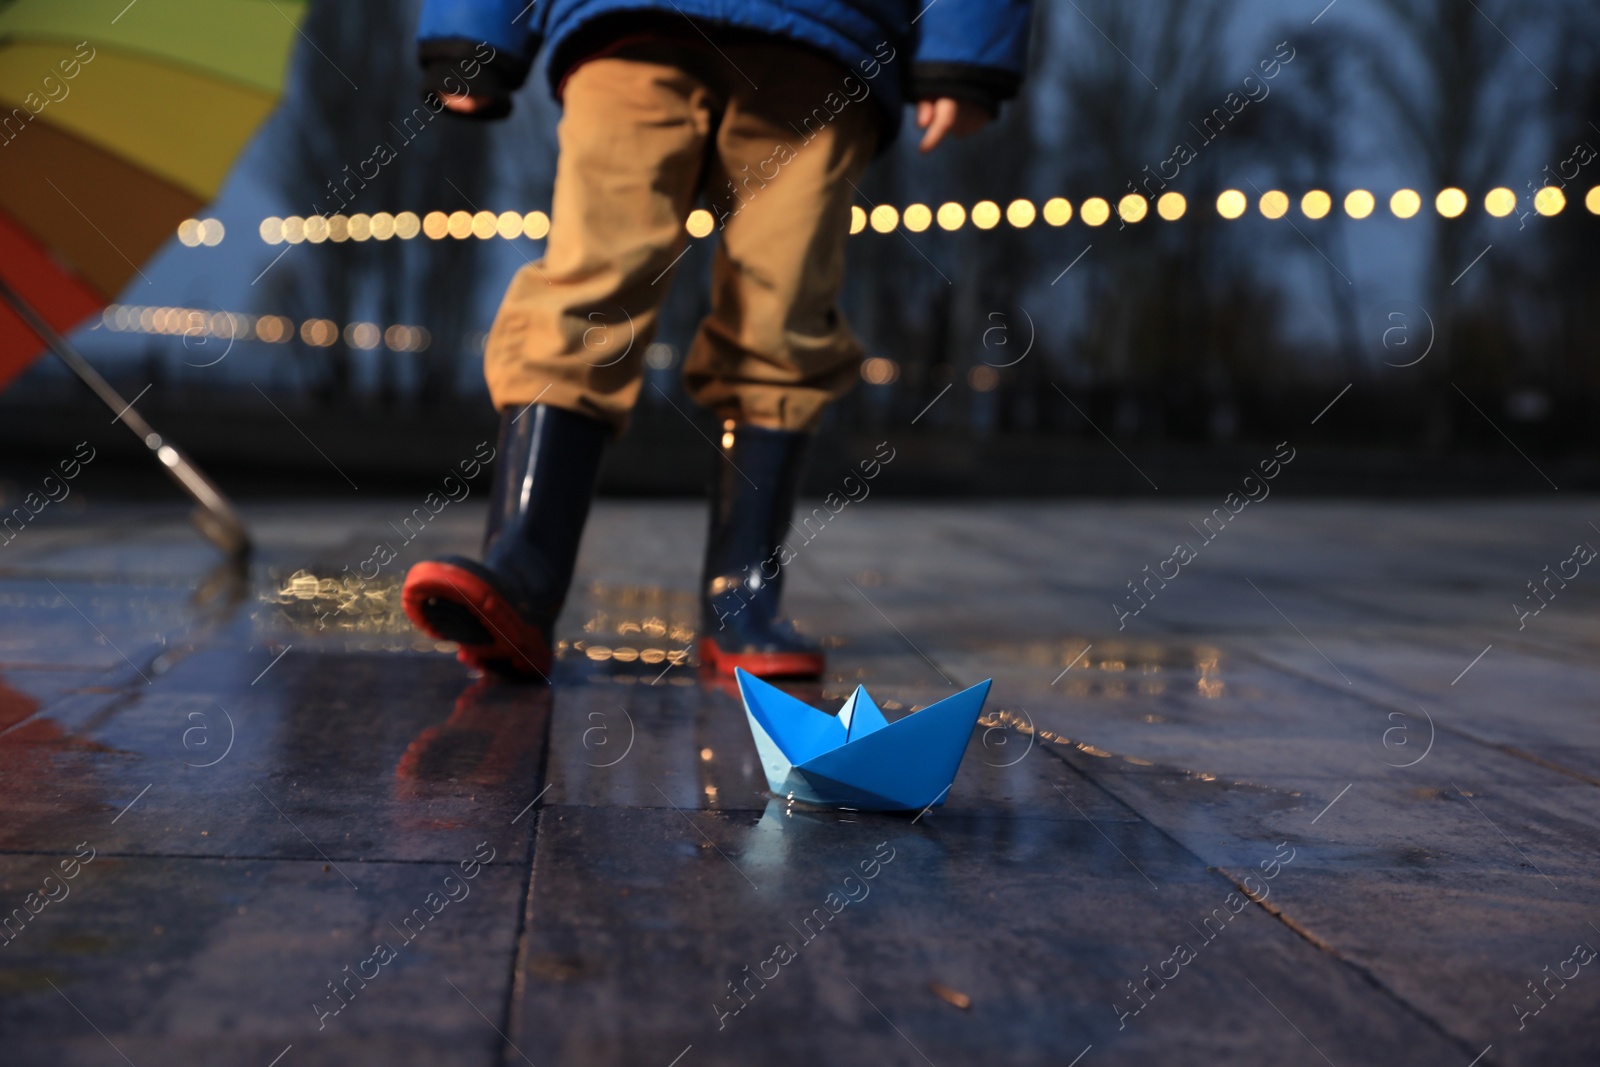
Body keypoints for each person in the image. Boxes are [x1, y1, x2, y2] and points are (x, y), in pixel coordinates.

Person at [400, 0, 1032, 680]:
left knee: (782, 308)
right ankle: (523, 564)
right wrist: (475, 28)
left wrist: (968, 49)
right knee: (592, 282)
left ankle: (743, 593)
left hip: (828, 36)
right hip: (630, 24)